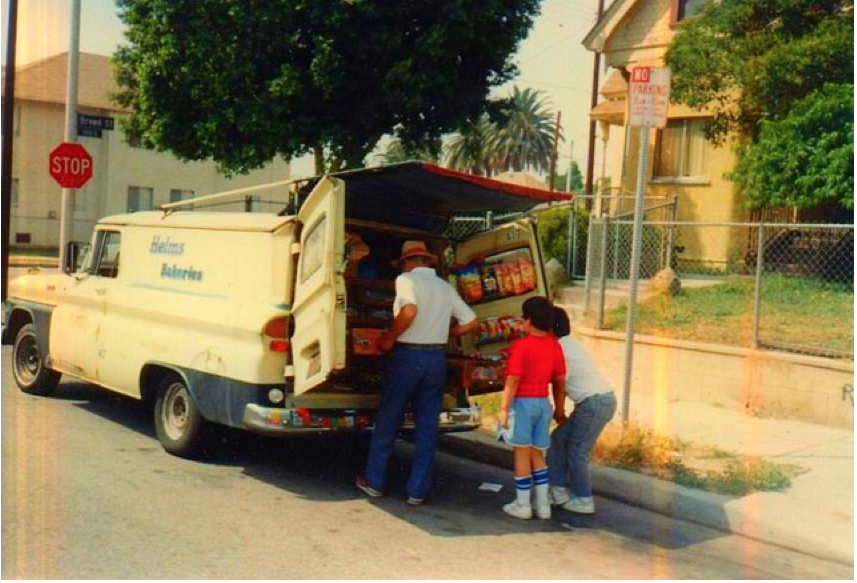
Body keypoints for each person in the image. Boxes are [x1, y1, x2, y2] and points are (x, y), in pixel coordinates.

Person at [356, 240, 478, 505]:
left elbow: (409, 310)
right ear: (427, 261)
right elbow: (471, 321)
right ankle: (417, 491)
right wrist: (445, 333)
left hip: (407, 356)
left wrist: (389, 337)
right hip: (436, 358)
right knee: (426, 426)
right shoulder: (445, 287)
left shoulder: (406, 280)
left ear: (407, 263)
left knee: (388, 419)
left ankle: (374, 481)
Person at [499, 296, 566, 520]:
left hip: (523, 404)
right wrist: (559, 408)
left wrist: (504, 408)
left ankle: (523, 505)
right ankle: (543, 506)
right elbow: (560, 378)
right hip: (542, 403)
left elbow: (513, 380)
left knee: (521, 453)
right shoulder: (554, 345)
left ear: (527, 320)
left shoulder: (521, 346)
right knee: (538, 454)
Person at [547, 307, 617, 515]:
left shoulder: (560, 348)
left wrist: (559, 412)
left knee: (578, 449)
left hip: (593, 403)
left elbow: (559, 384)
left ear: (549, 328)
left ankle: (584, 499)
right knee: (559, 439)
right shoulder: (568, 343)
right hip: (598, 401)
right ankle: (558, 490)